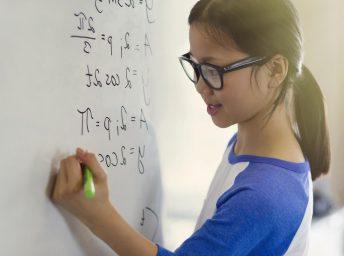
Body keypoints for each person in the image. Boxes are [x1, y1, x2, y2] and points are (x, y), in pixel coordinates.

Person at [51, 0, 330, 255]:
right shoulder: (245, 143)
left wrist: (97, 214)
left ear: (275, 70)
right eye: (195, 67)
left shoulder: (265, 195)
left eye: (214, 70)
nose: (200, 86)